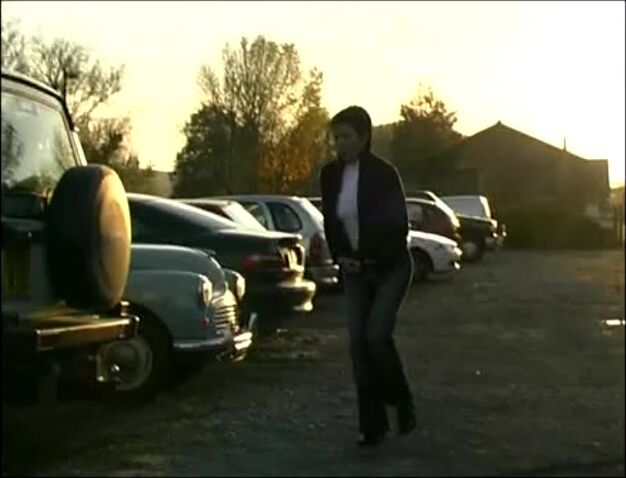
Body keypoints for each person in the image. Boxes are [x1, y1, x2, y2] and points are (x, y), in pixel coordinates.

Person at [319, 105, 416, 447]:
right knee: (358, 347)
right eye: (336, 138)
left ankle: (401, 400)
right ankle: (372, 425)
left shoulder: (384, 174)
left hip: (391, 267)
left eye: (346, 137)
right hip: (354, 270)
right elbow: (331, 223)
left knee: (376, 336)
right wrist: (342, 258)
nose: (340, 144)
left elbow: (398, 225)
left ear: (364, 137)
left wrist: (372, 259)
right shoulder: (330, 175)